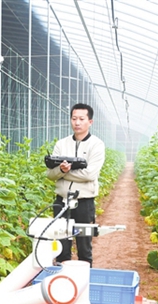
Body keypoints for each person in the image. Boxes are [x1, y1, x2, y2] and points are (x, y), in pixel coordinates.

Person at [46, 103, 105, 267]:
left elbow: (90, 174)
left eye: (81, 119)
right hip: (61, 201)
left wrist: (63, 172)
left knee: (84, 246)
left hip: (84, 202)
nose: (77, 122)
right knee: (61, 246)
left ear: (90, 122)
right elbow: (50, 175)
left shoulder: (96, 145)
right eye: (74, 118)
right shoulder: (61, 144)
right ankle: (61, 279)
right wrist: (60, 170)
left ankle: (84, 278)